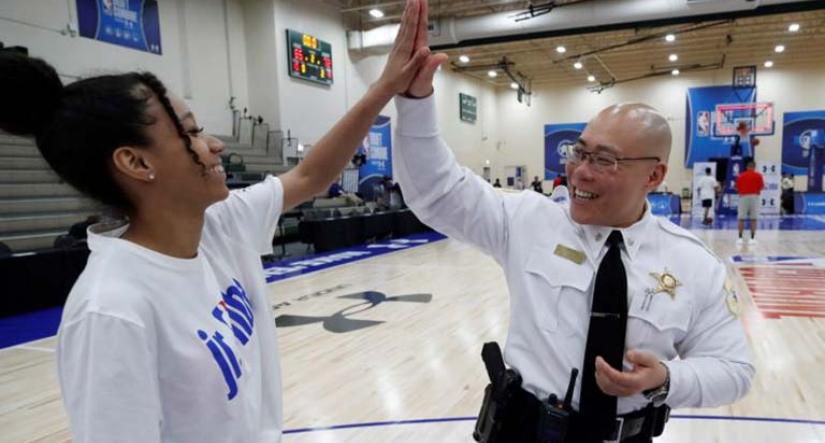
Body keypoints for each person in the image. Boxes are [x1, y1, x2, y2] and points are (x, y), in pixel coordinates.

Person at [0, 1, 433, 441]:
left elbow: (310, 175)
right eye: (190, 131)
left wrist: (384, 88)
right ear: (134, 161)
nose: (213, 145)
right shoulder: (111, 310)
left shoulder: (219, 225)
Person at [392, 29, 754, 441]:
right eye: (579, 152)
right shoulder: (528, 220)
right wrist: (416, 103)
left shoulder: (694, 263)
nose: (581, 171)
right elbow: (434, 192)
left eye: (604, 160)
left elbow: (734, 370)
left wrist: (667, 378)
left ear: (654, 176)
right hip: (523, 432)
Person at [735, 160, 764, 247]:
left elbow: (737, 187)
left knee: (741, 218)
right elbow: (761, 187)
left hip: (743, 197)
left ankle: (740, 238)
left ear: (747, 167)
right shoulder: (759, 176)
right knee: (753, 219)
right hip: (754, 197)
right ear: (754, 167)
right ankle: (752, 238)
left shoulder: (741, 176)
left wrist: (742, 191)